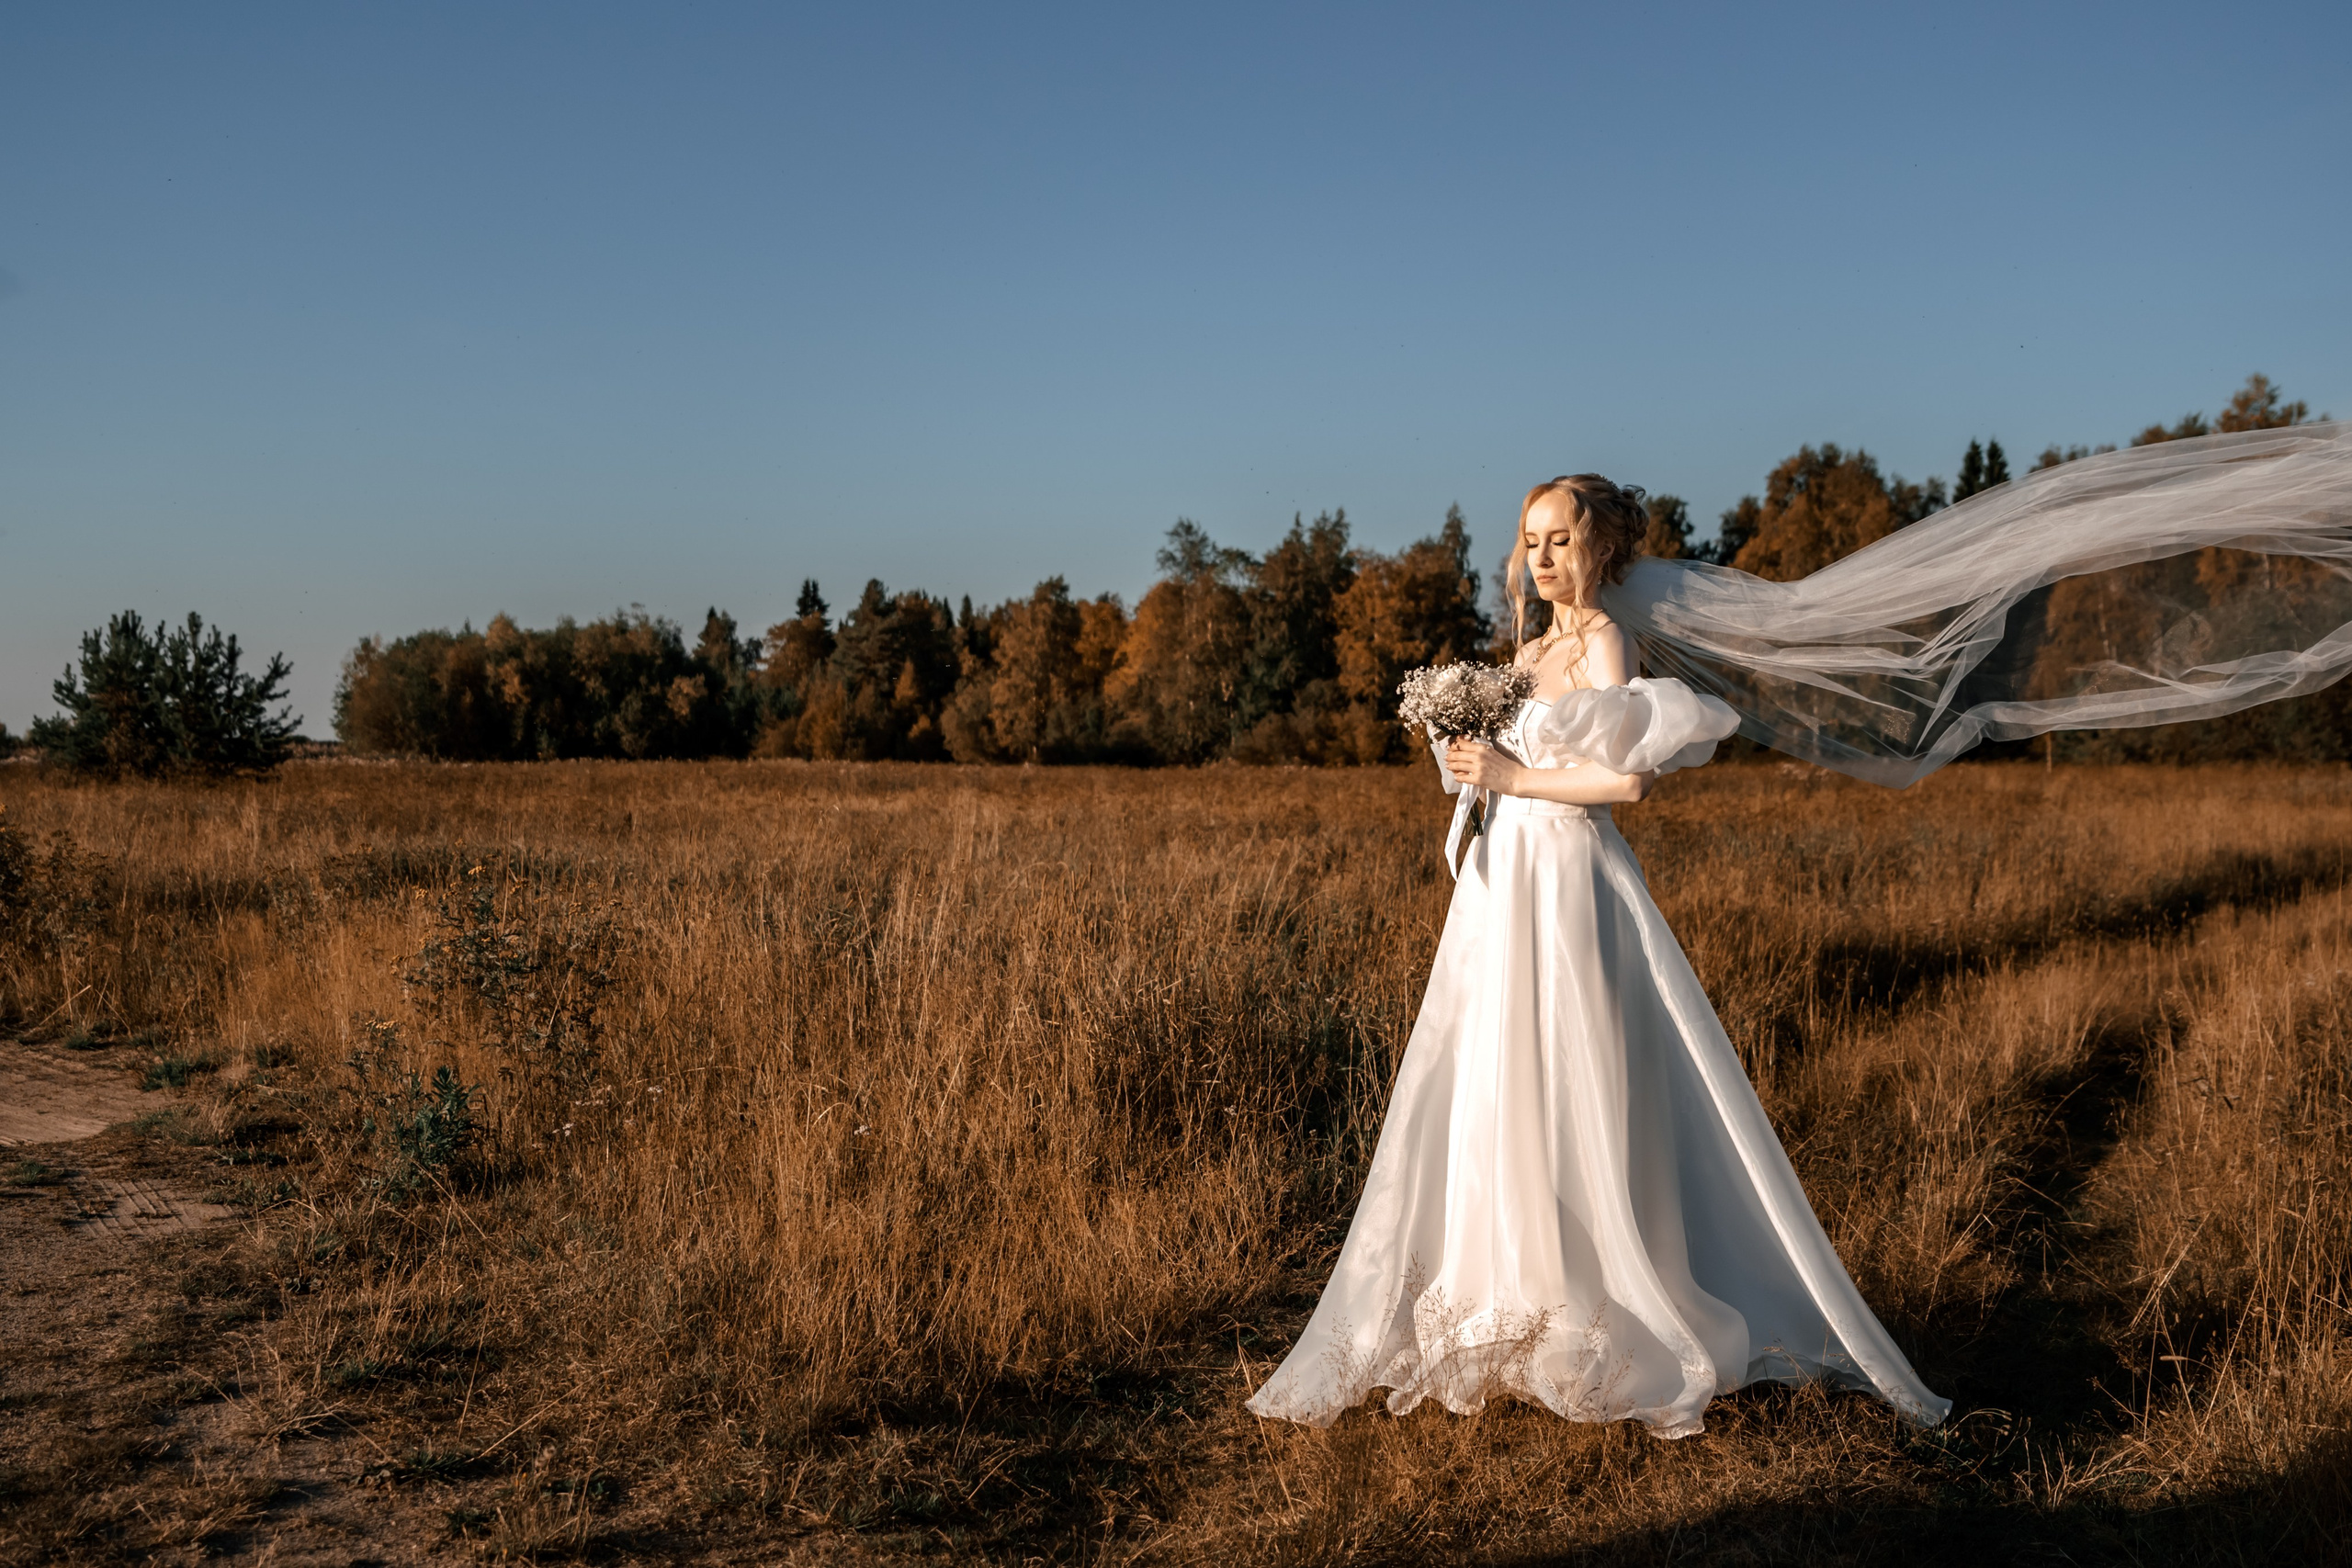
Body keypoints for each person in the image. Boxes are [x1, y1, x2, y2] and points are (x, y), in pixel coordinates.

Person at [1244, 474, 1951, 1437]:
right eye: (1529, 541)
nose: (1540, 559)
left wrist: (1511, 772)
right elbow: (1514, 769)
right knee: (1498, 1077)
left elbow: (1626, 781)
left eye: (1559, 541)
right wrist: (1467, 764)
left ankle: (1598, 1306)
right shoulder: (1528, 651)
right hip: (1504, 884)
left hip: (1569, 882)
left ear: (1600, 551)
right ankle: (1505, 1298)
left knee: (1575, 1070)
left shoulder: (1603, 641)